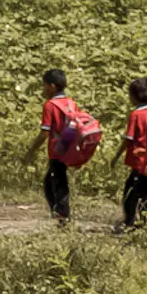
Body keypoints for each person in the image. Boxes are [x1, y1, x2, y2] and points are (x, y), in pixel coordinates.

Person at [29, 68, 103, 223]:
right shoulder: (70, 103)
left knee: (57, 183)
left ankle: (62, 216)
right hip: (68, 148)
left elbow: (45, 132)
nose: (44, 89)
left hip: (56, 150)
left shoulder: (50, 105)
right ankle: (59, 213)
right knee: (53, 181)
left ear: (52, 86)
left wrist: (32, 150)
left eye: (45, 86)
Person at [117, 76, 147, 229]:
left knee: (132, 193)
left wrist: (116, 156)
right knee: (142, 192)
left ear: (134, 96)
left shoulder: (136, 115)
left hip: (139, 160)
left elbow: (128, 139)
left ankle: (131, 221)